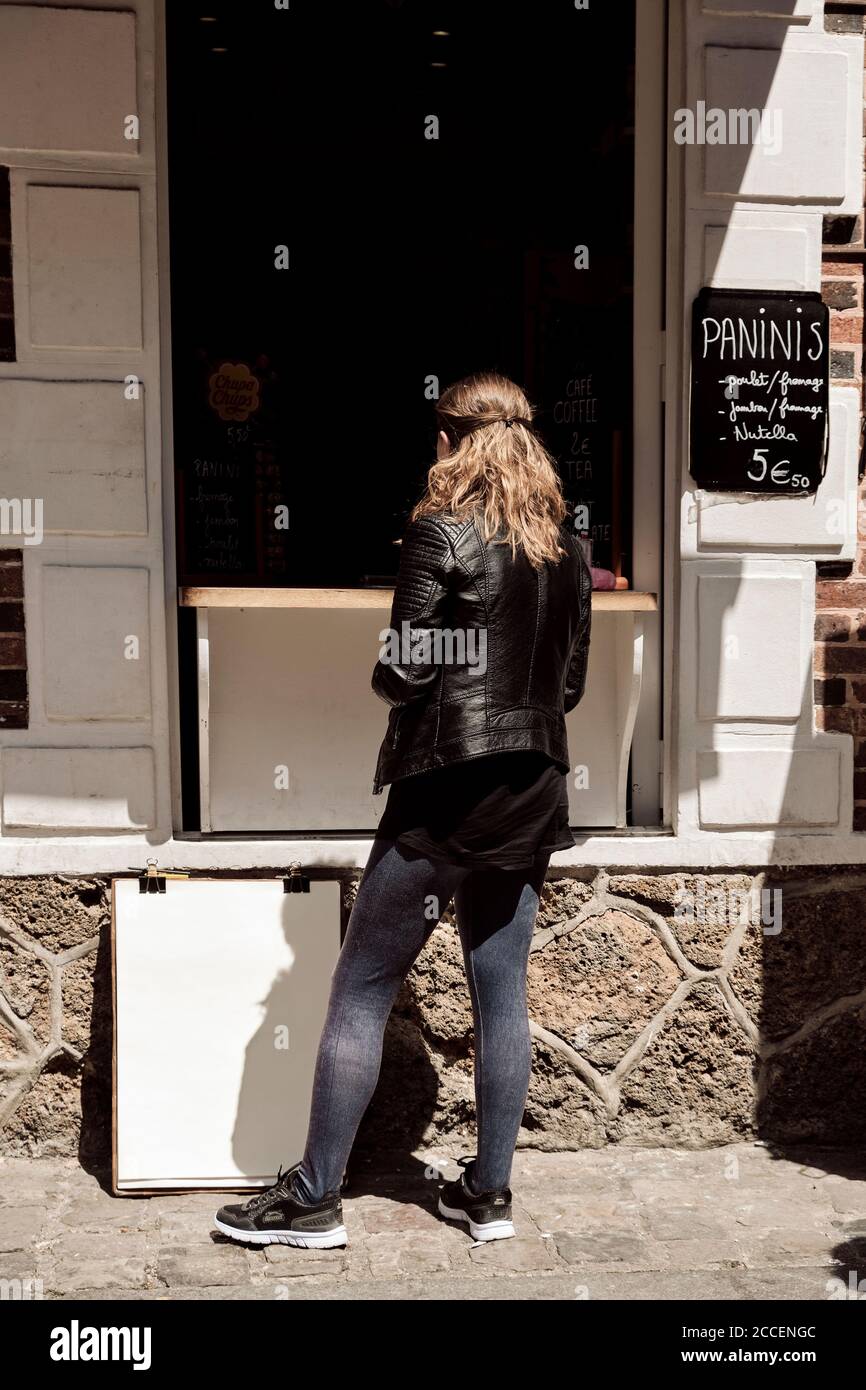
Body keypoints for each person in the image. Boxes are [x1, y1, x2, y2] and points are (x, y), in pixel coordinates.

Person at [215, 371, 593, 1249]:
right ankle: (489, 1197)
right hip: (534, 782)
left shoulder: (440, 530)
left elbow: (403, 672)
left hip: (448, 781)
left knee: (363, 983)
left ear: (449, 440)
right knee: (501, 991)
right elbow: (567, 686)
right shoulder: (566, 549)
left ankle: (313, 1199)